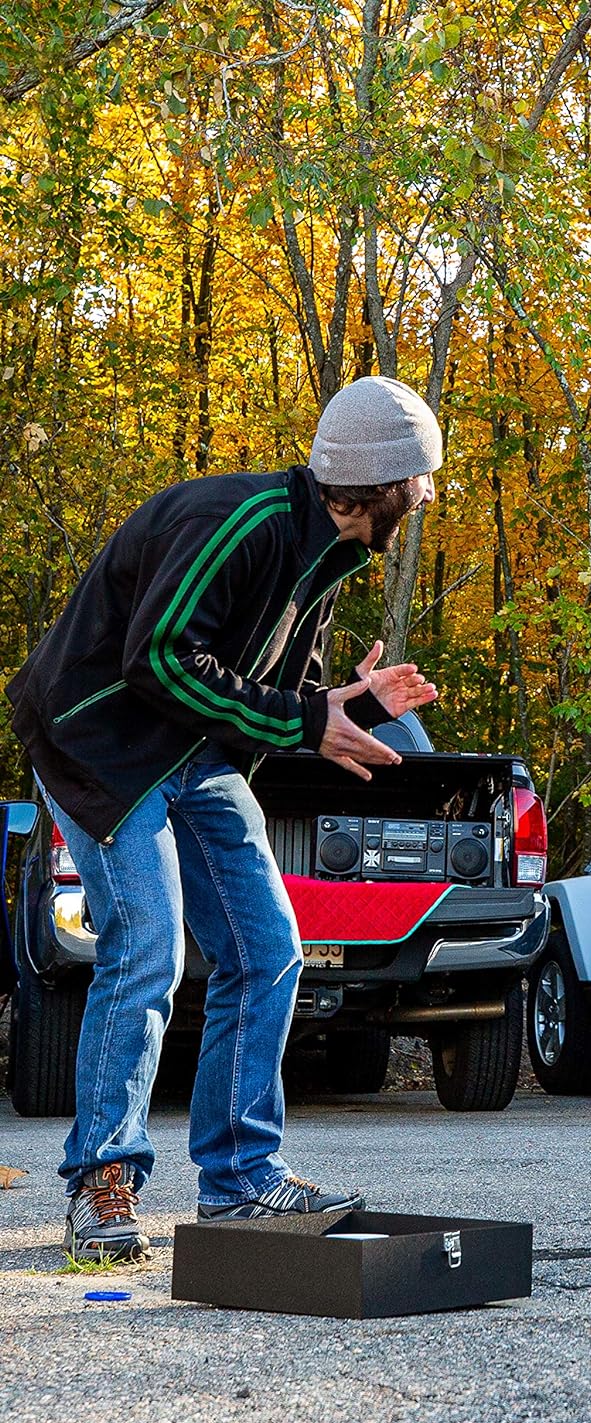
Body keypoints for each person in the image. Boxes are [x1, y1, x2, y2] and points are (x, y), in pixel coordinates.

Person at [6, 375, 443, 1260]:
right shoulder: (238, 522)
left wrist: (349, 703)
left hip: (195, 755)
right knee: (147, 949)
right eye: (423, 480)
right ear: (388, 484)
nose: (429, 496)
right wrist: (305, 718)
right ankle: (102, 1180)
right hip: (102, 748)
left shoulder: (323, 557)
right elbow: (160, 658)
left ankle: (242, 1182)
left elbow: (277, 699)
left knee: (267, 947)